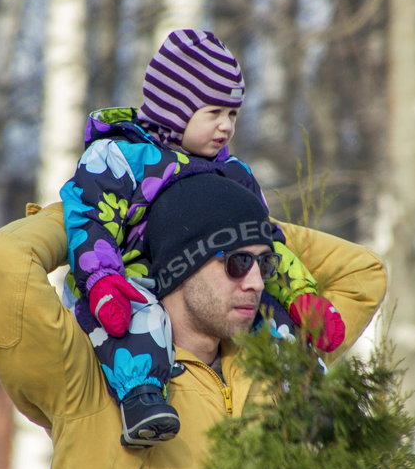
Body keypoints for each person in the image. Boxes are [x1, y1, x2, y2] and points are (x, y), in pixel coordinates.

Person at [0, 172, 386, 469]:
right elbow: (1, 259)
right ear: (181, 261)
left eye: (266, 264)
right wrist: (118, 221)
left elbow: (363, 273)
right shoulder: (87, 373)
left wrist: (249, 220)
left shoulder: (277, 361)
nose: (257, 283)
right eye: (237, 263)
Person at [59, 29, 345, 447]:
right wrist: (101, 279)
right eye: (213, 112)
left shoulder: (234, 174)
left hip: (212, 284)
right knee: (139, 318)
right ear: (175, 108)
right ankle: (142, 400)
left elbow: (268, 242)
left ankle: (314, 402)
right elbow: (89, 218)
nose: (225, 126)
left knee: (276, 324)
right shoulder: (122, 157)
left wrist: (299, 294)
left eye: (232, 114)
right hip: (126, 281)